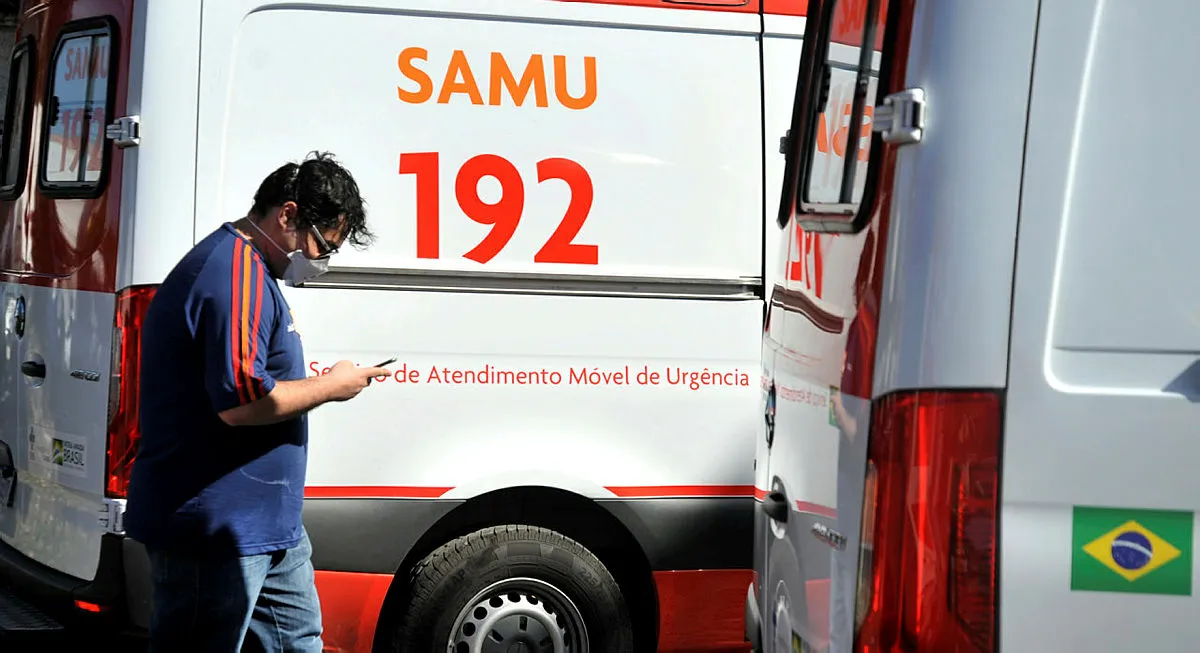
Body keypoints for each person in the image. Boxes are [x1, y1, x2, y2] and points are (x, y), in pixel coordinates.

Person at [125, 151, 391, 653]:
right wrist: (332, 387)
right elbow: (242, 402)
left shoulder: (250, 271)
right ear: (286, 215)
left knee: (298, 642)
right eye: (319, 244)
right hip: (218, 530)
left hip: (268, 527)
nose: (320, 260)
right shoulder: (234, 274)